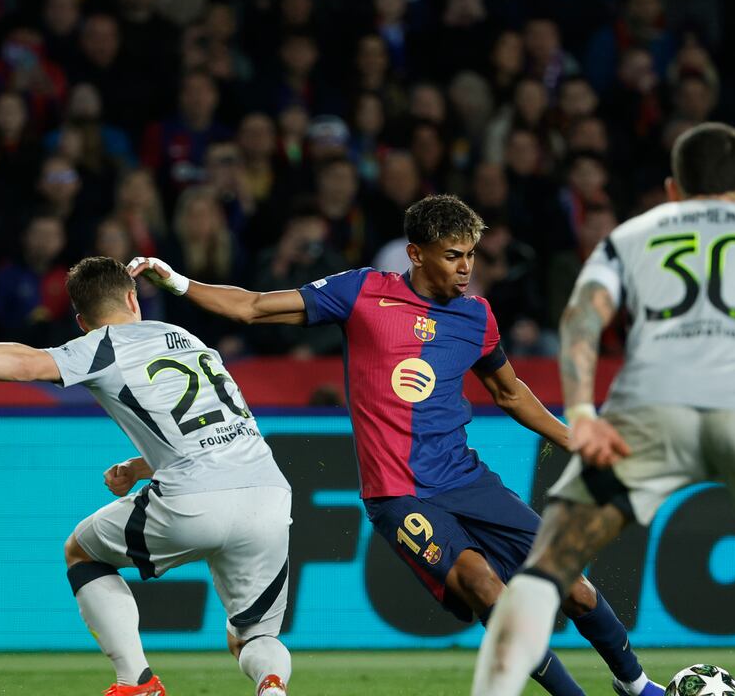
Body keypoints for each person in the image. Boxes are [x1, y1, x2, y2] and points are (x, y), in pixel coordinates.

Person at [130, 195, 663, 696]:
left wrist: (577, 439)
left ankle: (637, 685)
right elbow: (252, 307)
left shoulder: (476, 316)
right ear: (416, 253)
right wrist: (176, 282)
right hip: (397, 494)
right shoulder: (362, 292)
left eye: (471, 255)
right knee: (482, 583)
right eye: (453, 255)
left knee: (575, 589)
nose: (466, 267)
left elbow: (510, 392)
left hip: (467, 480)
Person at [472, 123, 735, 696]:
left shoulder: (632, 235)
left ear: (671, 189)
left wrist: (584, 410)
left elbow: (582, 317)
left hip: (647, 410)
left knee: (549, 568)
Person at [0, 256, 294, 696]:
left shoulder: (102, 344)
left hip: (196, 496)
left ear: (82, 321)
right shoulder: (187, 339)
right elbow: (217, 430)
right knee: (253, 637)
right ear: (132, 299)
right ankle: (271, 687)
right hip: (267, 494)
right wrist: (138, 467)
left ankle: (136, 682)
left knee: (82, 552)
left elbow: (26, 363)